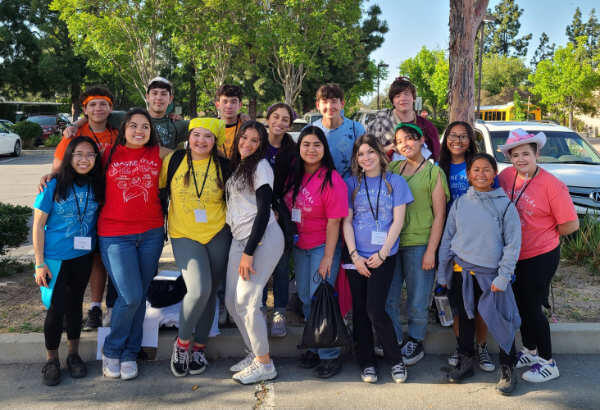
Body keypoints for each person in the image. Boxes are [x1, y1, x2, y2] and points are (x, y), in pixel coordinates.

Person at [497, 128, 579, 383]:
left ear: (536, 154)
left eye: (525, 154)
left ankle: (547, 361)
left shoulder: (552, 185)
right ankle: (530, 350)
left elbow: (570, 224)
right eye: (515, 155)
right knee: (521, 306)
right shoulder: (507, 176)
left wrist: (542, 233)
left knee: (533, 309)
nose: (520, 159)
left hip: (541, 255)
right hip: (514, 255)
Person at [437, 153, 522, 395]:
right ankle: (466, 361)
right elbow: (447, 239)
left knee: (501, 320)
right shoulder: (461, 203)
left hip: (492, 276)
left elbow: (512, 245)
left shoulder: (504, 205)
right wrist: (442, 274)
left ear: (494, 174)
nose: (481, 174)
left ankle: (507, 367)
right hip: (462, 271)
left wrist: (503, 277)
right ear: (468, 175)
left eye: (486, 170)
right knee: (465, 317)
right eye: (476, 170)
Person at [99, 108, 171, 381]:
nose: (139, 131)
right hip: (115, 234)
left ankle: (130, 352)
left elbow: (198, 153)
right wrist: (50, 176)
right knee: (128, 296)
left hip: (151, 234)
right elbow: (74, 163)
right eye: (133, 125)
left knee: (139, 295)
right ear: (122, 129)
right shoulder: (107, 155)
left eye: (145, 127)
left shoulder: (160, 154)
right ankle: (112, 348)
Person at [43, 86, 119, 331]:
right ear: (85, 109)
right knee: (85, 258)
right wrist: (48, 179)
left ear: (110, 108)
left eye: (103, 104)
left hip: (109, 200)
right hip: (80, 204)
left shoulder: (116, 132)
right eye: (92, 104)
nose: (99, 108)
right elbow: (58, 168)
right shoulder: (73, 135)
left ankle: (106, 306)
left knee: (103, 256)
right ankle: (89, 307)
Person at [162, 118, 232, 377]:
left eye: (207, 137)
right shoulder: (175, 161)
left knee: (210, 291)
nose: (201, 141)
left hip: (217, 233)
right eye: (196, 135)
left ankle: (199, 346)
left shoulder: (224, 166)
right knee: (198, 289)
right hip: (184, 234)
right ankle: (182, 344)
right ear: (188, 137)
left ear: (215, 141)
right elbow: (160, 192)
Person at [342, 134, 413, 384]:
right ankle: (366, 362)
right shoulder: (351, 183)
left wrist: (382, 253)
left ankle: (396, 360)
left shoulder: (396, 182)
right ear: (356, 158)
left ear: (380, 154)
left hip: (383, 256)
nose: (366, 158)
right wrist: (354, 255)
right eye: (360, 154)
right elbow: (347, 222)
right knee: (360, 311)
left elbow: (398, 222)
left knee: (375, 308)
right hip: (355, 257)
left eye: (370, 152)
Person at [32, 136, 104, 386]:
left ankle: (73, 355)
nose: (84, 159)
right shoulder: (52, 185)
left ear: (96, 159)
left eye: (90, 155)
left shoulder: (97, 184)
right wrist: (39, 262)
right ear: (69, 157)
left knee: (75, 307)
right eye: (79, 154)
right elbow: (39, 225)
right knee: (56, 310)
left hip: (82, 257)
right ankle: (51, 359)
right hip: (54, 259)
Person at [284, 126, 349, 378]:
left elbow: (335, 222)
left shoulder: (332, 179)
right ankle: (314, 344)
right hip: (300, 246)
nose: (311, 150)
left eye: (317, 145)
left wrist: (328, 257)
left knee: (320, 297)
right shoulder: (294, 176)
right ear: (299, 148)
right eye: (306, 144)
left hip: (323, 246)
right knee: (305, 297)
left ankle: (330, 355)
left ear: (324, 149)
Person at [224, 121, 284, 384]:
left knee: (247, 301)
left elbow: (263, 212)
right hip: (240, 240)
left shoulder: (261, 167)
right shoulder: (240, 166)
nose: (247, 144)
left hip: (262, 239)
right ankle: (254, 352)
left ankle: (265, 363)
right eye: (244, 138)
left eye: (254, 140)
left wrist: (249, 252)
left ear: (261, 145)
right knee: (231, 301)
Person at [386, 123, 449, 366]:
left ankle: (415, 340)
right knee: (389, 297)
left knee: (417, 297)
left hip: (420, 243)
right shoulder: (392, 168)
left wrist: (431, 250)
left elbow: (440, 215)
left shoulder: (434, 173)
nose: (405, 144)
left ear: (422, 140)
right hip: (392, 243)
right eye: (400, 141)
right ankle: (393, 337)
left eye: (410, 139)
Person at [438, 121, 495, 373]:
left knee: (480, 299)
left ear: (471, 140)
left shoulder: (480, 166)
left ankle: (481, 347)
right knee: (456, 299)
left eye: (463, 136)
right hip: (450, 240)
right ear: (445, 139)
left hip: (477, 242)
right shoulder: (439, 168)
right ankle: (462, 347)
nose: (457, 140)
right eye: (452, 135)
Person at [65, 77, 189, 149]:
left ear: (170, 99)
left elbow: (203, 129)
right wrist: (75, 125)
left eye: (163, 94)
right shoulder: (129, 118)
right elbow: (98, 114)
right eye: (154, 93)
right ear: (147, 97)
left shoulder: (177, 124)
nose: (159, 98)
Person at [262, 103, 296, 338]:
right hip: (256, 210)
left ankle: (280, 310)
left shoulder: (292, 150)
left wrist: (278, 208)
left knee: (281, 264)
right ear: (268, 119)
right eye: (276, 117)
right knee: (259, 260)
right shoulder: (257, 144)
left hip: (282, 212)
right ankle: (259, 306)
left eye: (285, 119)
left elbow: (294, 184)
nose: (280, 122)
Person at [367, 76, 440, 161]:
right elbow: (368, 153)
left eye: (406, 94)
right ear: (393, 101)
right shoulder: (380, 123)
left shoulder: (427, 127)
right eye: (398, 96)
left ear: (413, 98)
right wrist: (390, 148)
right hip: (387, 172)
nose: (403, 98)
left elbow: (435, 157)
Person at [309, 83, 365, 178]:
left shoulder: (356, 129)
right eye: (325, 101)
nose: (330, 106)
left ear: (342, 104)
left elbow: (367, 157)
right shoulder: (310, 130)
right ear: (318, 105)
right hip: (318, 187)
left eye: (334, 101)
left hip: (350, 188)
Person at [215, 84, 249, 158]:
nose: (229, 106)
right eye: (225, 101)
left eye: (233, 102)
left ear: (240, 105)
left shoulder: (246, 126)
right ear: (217, 105)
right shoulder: (211, 128)